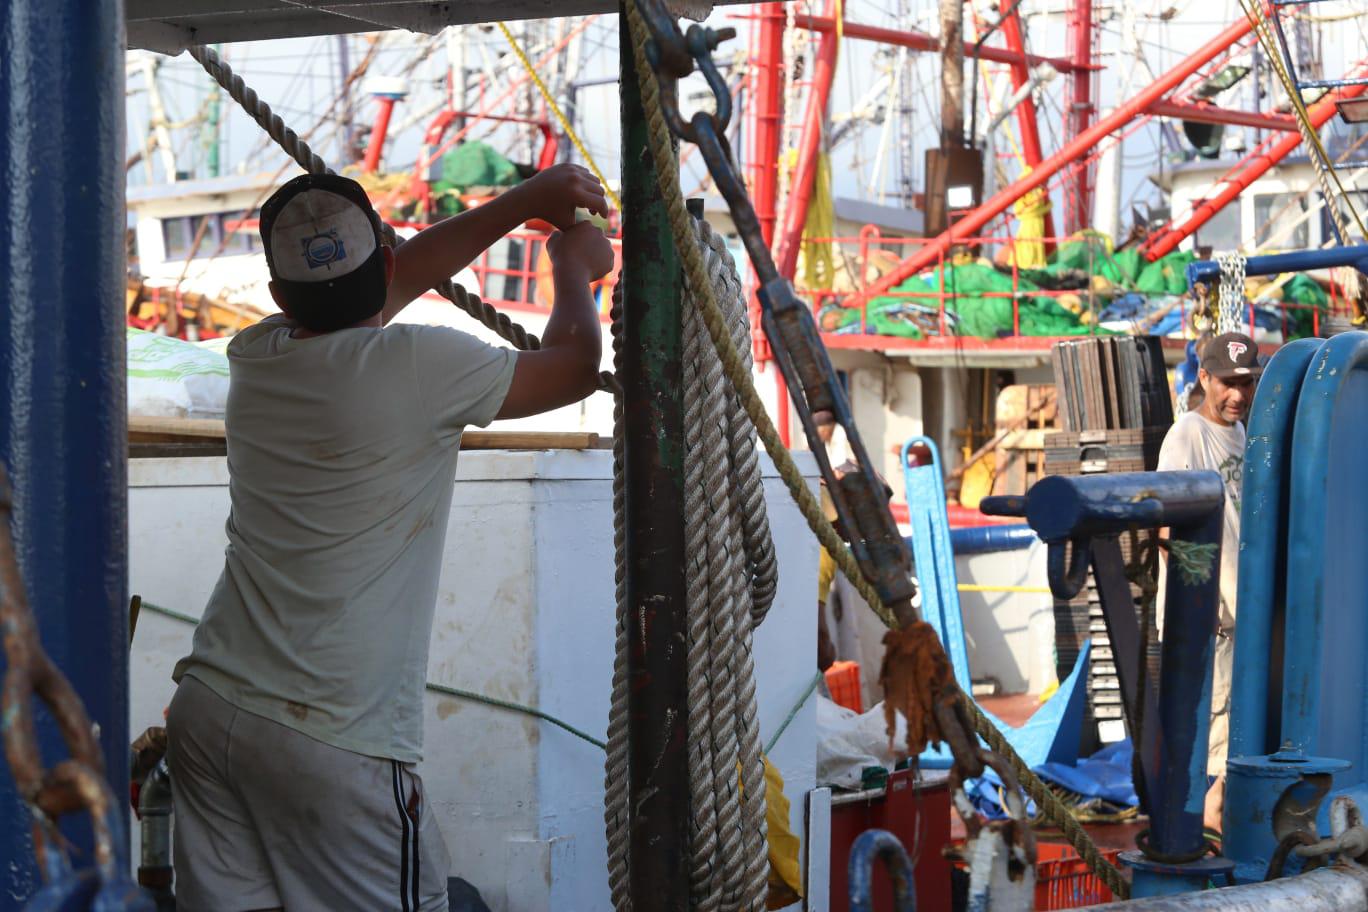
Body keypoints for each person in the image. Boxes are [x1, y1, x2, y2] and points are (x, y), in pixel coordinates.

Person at [165, 165, 612, 911]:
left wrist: (521, 204)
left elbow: (384, 286)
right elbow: (572, 369)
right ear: (386, 256)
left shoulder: (259, 355)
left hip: (210, 711)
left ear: (279, 297)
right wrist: (573, 270)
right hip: (335, 736)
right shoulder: (419, 364)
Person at [1156, 330, 1260, 838]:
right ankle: (1206, 833)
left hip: (1238, 611)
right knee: (1210, 727)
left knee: (1236, 721)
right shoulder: (1187, 436)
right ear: (1203, 377)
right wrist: (1205, 603)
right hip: (1209, 618)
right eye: (1227, 383)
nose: (1236, 395)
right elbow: (1166, 528)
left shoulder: (1241, 435)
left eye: (1245, 383)